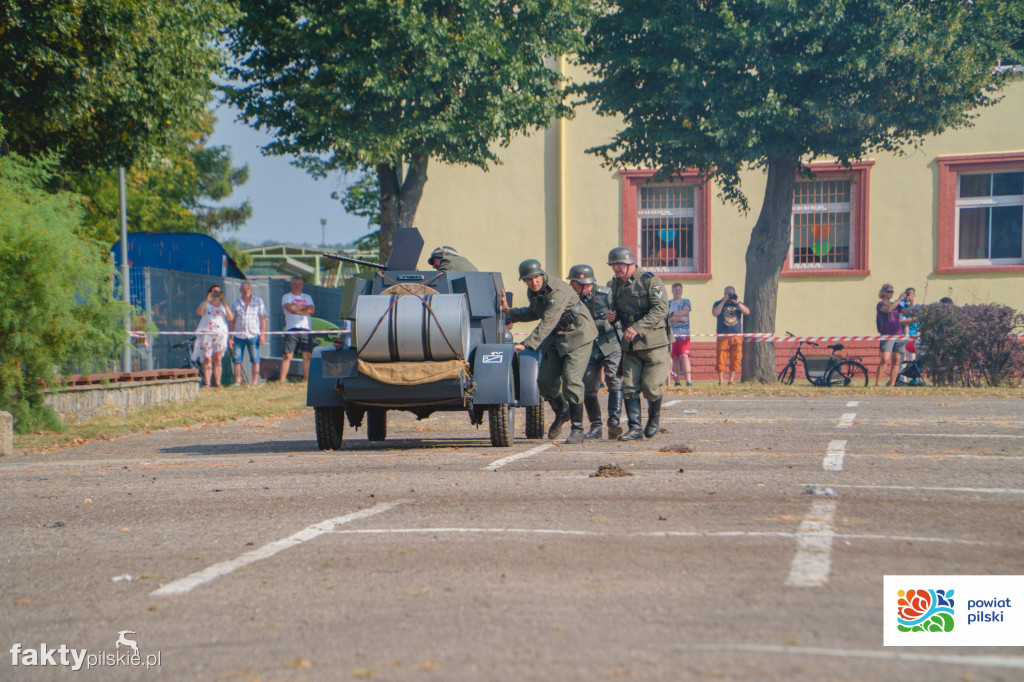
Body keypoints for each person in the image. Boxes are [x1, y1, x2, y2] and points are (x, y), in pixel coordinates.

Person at [500, 259, 597, 444]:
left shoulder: (557, 290)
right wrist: (508, 311)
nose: (533, 282)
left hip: (578, 335)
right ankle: (562, 411)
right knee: (544, 380)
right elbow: (535, 312)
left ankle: (577, 428)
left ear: (542, 274)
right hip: (557, 338)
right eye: (528, 279)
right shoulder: (534, 292)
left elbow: (548, 320)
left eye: (536, 277)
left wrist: (528, 344)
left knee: (571, 380)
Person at [605, 246, 670, 441]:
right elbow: (616, 308)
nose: (617, 268)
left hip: (654, 343)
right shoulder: (615, 284)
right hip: (630, 345)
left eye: (621, 264)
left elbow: (660, 309)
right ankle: (634, 428)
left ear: (632, 263)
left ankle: (653, 421)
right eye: (614, 264)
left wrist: (637, 328)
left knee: (651, 386)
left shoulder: (650, 281)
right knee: (629, 387)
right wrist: (612, 316)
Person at [567, 264, 623, 440]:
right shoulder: (574, 299)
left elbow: (615, 317)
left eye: (574, 283)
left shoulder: (606, 295)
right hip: (590, 347)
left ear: (585, 283)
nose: (571, 286)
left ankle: (614, 424)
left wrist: (597, 324)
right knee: (588, 385)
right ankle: (596, 426)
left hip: (610, 343)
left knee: (614, 380)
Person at [192, 284, 234, 388]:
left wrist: (224, 303)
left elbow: (230, 317)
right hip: (207, 334)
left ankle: (218, 383)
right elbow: (199, 311)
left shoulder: (223, 306)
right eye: (214, 291)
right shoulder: (206, 304)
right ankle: (207, 383)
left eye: (219, 292)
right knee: (207, 358)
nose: (217, 294)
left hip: (220, 335)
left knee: (218, 359)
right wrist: (207, 300)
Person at [230, 281, 267, 386]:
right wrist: (230, 336)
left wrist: (262, 334)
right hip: (239, 335)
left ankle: (254, 382)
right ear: (240, 290)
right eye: (243, 288)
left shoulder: (258, 302)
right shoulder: (235, 303)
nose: (245, 290)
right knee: (237, 359)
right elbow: (232, 320)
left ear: (251, 290)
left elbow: (262, 319)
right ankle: (238, 380)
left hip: (253, 334)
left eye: (247, 288)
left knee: (255, 359)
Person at [279, 277, 316, 382]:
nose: (297, 286)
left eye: (299, 284)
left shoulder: (307, 297)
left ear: (302, 286)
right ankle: (282, 380)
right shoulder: (287, 297)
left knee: (307, 355)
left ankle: (307, 380)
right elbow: (289, 308)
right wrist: (304, 308)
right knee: (287, 355)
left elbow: (311, 310)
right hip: (292, 328)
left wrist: (297, 309)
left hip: (306, 329)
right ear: (291, 286)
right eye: (295, 284)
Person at [711, 286, 749, 386]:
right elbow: (715, 313)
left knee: (736, 358)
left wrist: (737, 302)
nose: (729, 296)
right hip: (723, 335)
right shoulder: (718, 303)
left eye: (730, 293)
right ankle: (721, 381)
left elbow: (747, 312)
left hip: (736, 335)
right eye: (727, 293)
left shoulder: (737, 303)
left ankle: (731, 380)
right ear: (724, 294)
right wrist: (723, 301)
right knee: (721, 358)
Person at [875, 283, 907, 386]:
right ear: (883, 292)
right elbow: (888, 309)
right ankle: (878, 383)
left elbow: (907, 312)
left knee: (896, 360)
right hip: (887, 334)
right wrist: (899, 299)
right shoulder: (881, 304)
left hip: (898, 334)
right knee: (885, 358)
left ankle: (892, 384)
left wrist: (910, 302)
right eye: (889, 291)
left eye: (892, 292)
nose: (891, 293)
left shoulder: (896, 305)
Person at [667, 283, 692, 388]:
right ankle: (676, 382)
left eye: (679, 290)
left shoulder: (686, 301)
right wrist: (681, 318)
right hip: (672, 333)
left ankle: (689, 381)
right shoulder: (668, 303)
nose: (677, 292)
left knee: (684, 356)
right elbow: (667, 317)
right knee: (674, 357)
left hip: (684, 333)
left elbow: (685, 311)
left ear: (681, 291)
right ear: (672, 291)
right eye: (675, 290)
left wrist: (673, 314)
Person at [898, 287, 920, 359]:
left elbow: (917, 319)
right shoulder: (901, 305)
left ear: (914, 295)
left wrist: (907, 320)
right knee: (901, 358)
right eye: (907, 294)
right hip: (901, 334)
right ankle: (901, 370)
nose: (908, 296)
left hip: (912, 334)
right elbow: (897, 320)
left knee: (912, 357)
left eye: (910, 294)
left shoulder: (918, 307)